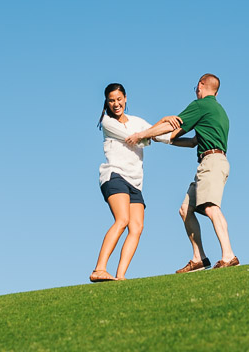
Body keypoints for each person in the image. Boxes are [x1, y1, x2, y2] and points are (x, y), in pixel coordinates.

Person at [126, 73, 239, 273]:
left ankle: (228, 255)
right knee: (185, 209)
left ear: (200, 86)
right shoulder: (218, 110)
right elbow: (193, 141)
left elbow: (173, 124)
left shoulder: (201, 105)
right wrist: (165, 141)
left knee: (211, 207)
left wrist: (142, 134)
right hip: (210, 160)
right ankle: (199, 258)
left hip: (211, 162)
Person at [91, 83, 180, 282]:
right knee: (122, 220)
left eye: (119, 99)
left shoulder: (137, 121)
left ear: (125, 98)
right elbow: (137, 139)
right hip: (115, 175)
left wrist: (189, 138)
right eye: (111, 100)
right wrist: (161, 121)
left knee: (137, 227)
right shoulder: (107, 122)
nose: (116, 104)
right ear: (106, 102)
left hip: (135, 181)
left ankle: (120, 276)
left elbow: (161, 136)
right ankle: (99, 269)